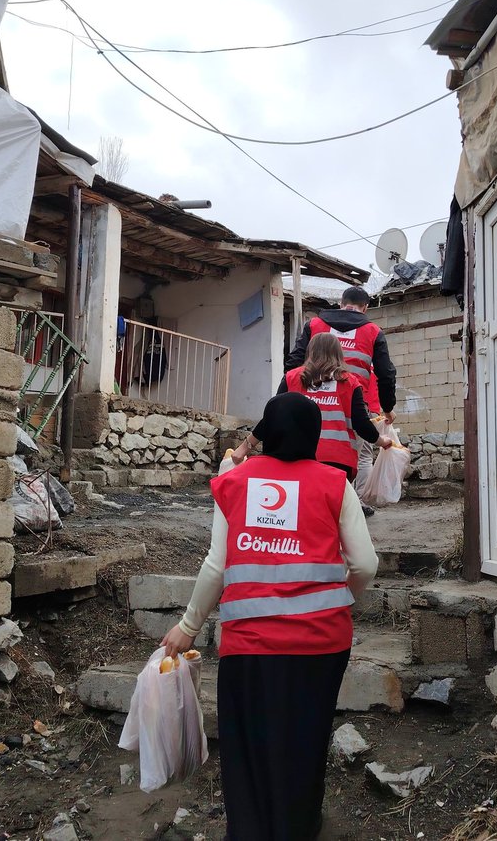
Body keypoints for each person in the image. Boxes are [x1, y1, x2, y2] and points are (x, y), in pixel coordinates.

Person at [162, 393, 378, 841]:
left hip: (248, 645)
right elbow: (365, 565)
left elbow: (216, 566)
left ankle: (250, 829)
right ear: (315, 436)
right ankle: (298, 826)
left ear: (267, 433)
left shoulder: (237, 482)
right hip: (321, 643)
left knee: (247, 741)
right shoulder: (335, 483)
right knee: (306, 736)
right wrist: (341, 596)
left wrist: (188, 627)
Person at [286, 285, 397, 494]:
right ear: (364, 308)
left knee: (306, 451)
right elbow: (385, 373)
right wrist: (388, 406)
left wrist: (296, 389)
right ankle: (353, 502)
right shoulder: (373, 331)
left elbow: (294, 362)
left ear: (340, 304)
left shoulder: (315, 324)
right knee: (359, 454)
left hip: (308, 401)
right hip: (352, 404)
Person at [232, 333, 391, 477]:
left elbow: (272, 418)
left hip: (294, 459)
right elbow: (361, 423)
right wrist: (381, 441)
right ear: (338, 354)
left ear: (310, 352)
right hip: (338, 462)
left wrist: (244, 448)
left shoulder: (292, 378)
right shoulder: (349, 382)